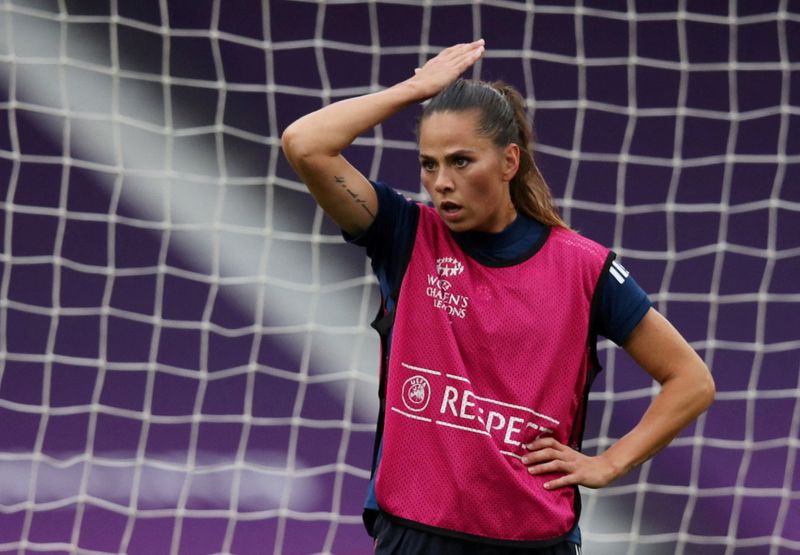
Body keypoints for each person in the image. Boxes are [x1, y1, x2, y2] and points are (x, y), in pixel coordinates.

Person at [281, 40, 715, 554]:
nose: (442, 183)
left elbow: (690, 380)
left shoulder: (583, 267)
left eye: (461, 161)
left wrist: (609, 462)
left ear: (510, 161)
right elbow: (304, 143)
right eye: (429, 164)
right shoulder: (404, 235)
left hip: (532, 542)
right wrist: (415, 90)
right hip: (416, 537)